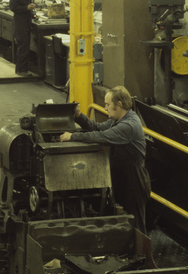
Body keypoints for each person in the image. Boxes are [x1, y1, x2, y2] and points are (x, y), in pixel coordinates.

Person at [60, 86, 150, 232]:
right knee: (122, 220)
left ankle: (141, 253)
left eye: (108, 104)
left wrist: (72, 136)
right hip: (123, 177)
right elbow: (97, 128)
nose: (105, 107)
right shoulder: (117, 120)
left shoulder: (128, 125)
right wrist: (79, 116)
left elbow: (101, 137)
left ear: (119, 105)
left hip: (134, 181)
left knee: (136, 224)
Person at [8, 0, 36, 75]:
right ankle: (21, 70)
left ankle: (23, 68)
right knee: (22, 47)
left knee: (25, 46)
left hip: (27, 21)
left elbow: (29, 3)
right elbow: (13, 7)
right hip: (20, 23)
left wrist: (33, 13)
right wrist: (26, 8)